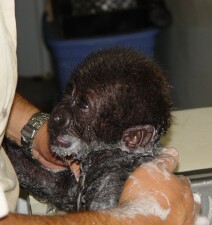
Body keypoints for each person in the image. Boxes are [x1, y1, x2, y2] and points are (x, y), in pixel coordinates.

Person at [0, 0, 200, 224]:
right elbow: (62, 188)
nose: (57, 114)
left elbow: (63, 188)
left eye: (83, 105)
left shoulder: (121, 179)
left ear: (133, 138)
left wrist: (29, 131)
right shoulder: (105, 158)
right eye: (70, 92)